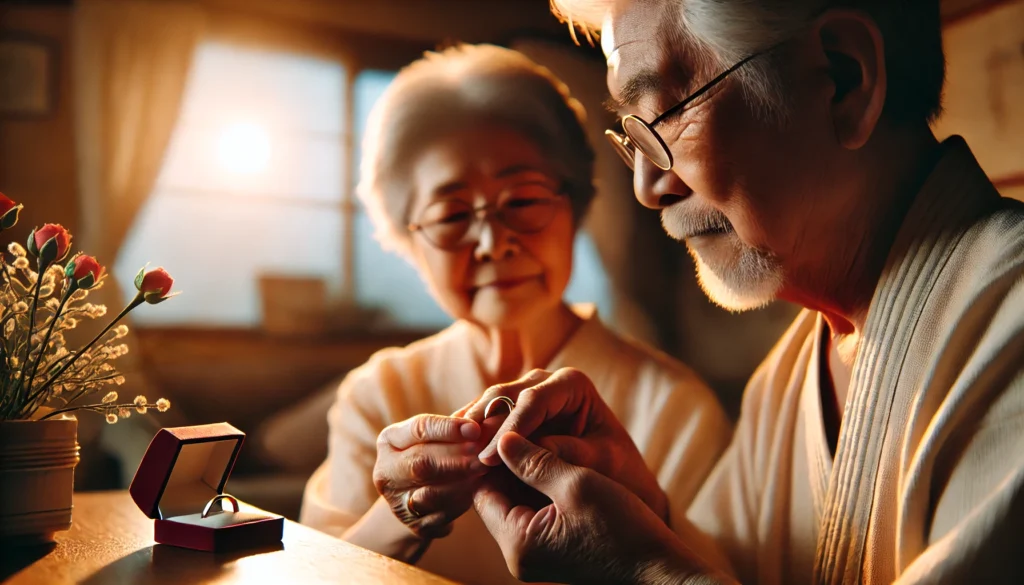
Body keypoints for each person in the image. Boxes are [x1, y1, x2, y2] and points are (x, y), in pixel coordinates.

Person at [463, 1, 1024, 584]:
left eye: (666, 114)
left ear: (843, 79)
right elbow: (725, 566)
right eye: (635, 136)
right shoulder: (783, 381)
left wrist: (644, 571)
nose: (649, 186)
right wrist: (643, 513)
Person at [299, 43, 732, 585]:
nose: (493, 242)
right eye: (452, 213)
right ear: (409, 242)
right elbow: (314, 573)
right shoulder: (378, 394)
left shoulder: (674, 407)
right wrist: (401, 515)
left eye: (522, 202)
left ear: (574, 208)